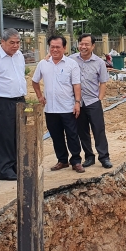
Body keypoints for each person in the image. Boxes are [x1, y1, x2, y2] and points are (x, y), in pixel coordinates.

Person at [32, 35, 85, 173]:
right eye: (52, 47)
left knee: (72, 134)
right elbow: (35, 81)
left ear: (64, 48)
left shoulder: (71, 64)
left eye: (58, 47)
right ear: (49, 48)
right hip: (50, 108)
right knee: (56, 136)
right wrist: (39, 96)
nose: (55, 49)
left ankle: (76, 161)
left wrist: (77, 102)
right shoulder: (43, 64)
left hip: (68, 107)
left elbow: (76, 85)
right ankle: (62, 160)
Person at [0, 28, 27, 181]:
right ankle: (6, 169)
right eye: (12, 43)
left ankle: (17, 166)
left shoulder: (19, 56)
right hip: (4, 102)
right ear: (2, 42)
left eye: (18, 42)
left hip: (20, 100)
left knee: (20, 135)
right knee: (5, 136)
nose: (15, 46)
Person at [70, 34, 112, 169]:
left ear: (93, 46)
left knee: (99, 130)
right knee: (82, 131)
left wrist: (99, 99)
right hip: (77, 103)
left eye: (87, 44)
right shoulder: (71, 60)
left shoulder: (99, 62)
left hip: (93, 102)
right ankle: (89, 157)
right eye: (81, 44)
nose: (83, 47)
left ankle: (104, 157)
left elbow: (103, 82)